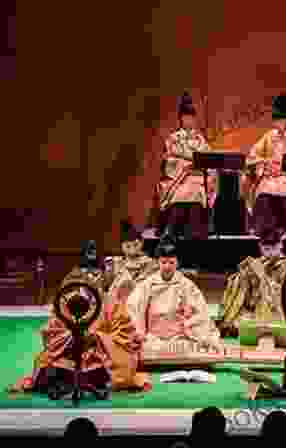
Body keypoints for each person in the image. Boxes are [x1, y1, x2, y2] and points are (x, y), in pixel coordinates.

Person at [9, 240, 150, 395]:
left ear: (102, 275)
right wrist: (72, 337)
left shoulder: (112, 303)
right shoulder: (67, 301)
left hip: (101, 358)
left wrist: (97, 339)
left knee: (117, 368)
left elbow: (124, 335)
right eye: (86, 273)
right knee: (50, 367)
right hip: (69, 356)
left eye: (96, 274)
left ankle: (84, 380)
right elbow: (52, 333)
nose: (91, 278)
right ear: (80, 275)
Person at [126, 232, 223, 355]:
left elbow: (200, 314)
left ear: (177, 263)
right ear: (158, 263)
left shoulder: (187, 286)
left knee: (195, 347)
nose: (167, 267)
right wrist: (140, 333)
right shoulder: (146, 285)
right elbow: (134, 310)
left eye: (171, 263)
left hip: (179, 339)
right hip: (152, 340)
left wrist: (190, 325)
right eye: (163, 262)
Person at [242, 94, 286, 237]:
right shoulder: (268, 137)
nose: (279, 123)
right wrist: (264, 164)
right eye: (276, 120)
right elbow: (252, 156)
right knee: (265, 194)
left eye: (281, 120)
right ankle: (265, 234)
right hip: (269, 178)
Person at [218, 226, 286, 337]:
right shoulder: (255, 264)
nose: (270, 253)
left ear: (281, 245)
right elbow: (241, 297)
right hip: (255, 313)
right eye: (267, 249)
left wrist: (263, 277)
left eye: (274, 248)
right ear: (260, 247)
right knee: (236, 322)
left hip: (282, 313)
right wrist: (242, 277)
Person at [156, 92, 218, 237]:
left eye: (191, 118)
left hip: (198, 178)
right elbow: (169, 160)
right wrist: (185, 166)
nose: (189, 120)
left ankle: (197, 233)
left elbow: (209, 161)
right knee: (182, 194)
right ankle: (173, 233)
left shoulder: (200, 139)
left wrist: (201, 168)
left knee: (197, 192)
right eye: (186, 118)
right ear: (181, 119)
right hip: (179, 179)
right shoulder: (173, 138)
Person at [105, 220, 158, 305]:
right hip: (116, 307)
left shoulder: (152, 264)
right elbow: (107, 285)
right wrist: (108, 269)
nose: (132, 248)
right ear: (122, 246)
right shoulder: (115, 263)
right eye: (128, 246)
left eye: (135, 244)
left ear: (141, 243)